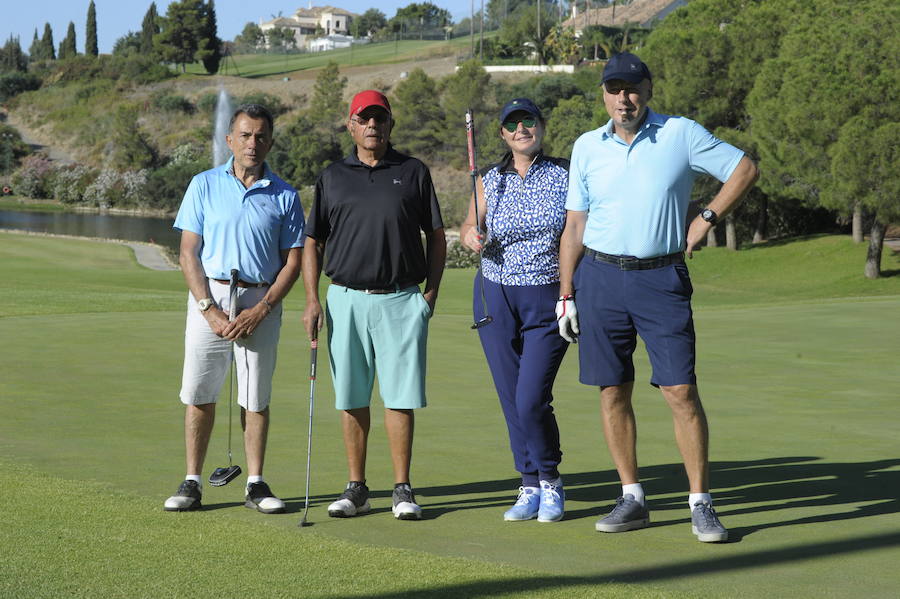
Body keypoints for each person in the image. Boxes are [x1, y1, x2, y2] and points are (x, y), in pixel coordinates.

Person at [557, 53, 759, 542]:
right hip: (600, 279)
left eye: (632, 88)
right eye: (614, 89)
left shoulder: (680, 133)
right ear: (603, 93)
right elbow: (575, 226)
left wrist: (707, 217)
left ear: (647, 90)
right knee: (612, 390)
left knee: (680, 391)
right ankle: (633, 497)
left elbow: (744, 168)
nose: (623, 98)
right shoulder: (587, 146)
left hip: (661, 278)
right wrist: (565, 293)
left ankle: (700, 503)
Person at [302, 90, 446, 521]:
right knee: (351, 396)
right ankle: (357, 487)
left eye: (380, 119)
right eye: (364, 119)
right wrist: (312, 299)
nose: (372, 126)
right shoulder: (332, 176)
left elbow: (436, 236)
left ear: (390, 125)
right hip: (344, 299)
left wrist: (431, 292)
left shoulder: (413, 172)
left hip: (402, 299)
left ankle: (402, 488)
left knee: (399, 398)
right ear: (351, 125)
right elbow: (313, 241)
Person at [164, 103, 304, 514]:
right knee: (199, 393)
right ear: (230, 140)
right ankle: (192, 481)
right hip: (211, 298)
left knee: (255, 398)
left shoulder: (285, 194)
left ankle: (256, 484)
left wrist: (262, 308)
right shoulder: (203, 184)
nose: (252, 143)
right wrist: (209, 309)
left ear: (270, 142)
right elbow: (189, 252)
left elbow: (292, 261)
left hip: (260, 301)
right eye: (245, 135)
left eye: (261, 136)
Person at [460, 98, 570, 523]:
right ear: (503, 134)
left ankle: (550, 479)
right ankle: (527, 483)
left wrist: (569, 291)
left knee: (531, 398)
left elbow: (575, 231)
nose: (522, 128)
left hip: (546, 295)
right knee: (510, 397)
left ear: (541, 126)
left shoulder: (563, 174)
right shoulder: (490, 179)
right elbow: (472, 225)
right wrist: (472, 237)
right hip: (494, 294)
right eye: (513, 124)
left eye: (529, 121)